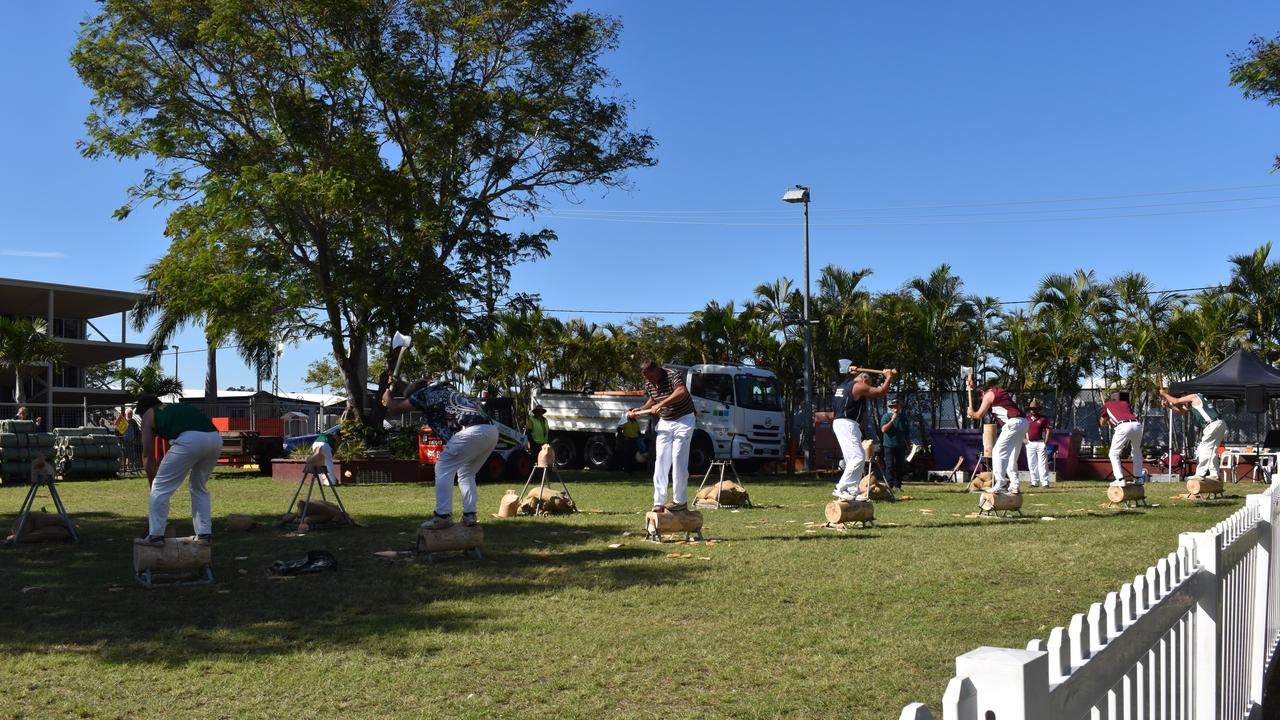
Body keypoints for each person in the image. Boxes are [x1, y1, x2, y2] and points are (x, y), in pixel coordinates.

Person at [382, 374, 498, 529]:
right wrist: (398, 384)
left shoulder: (424, 394)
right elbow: (412, 389)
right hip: (490, 431)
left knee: (442, 467)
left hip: (470, 431)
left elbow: (396, 407)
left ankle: (442, 516)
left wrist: (388, 398)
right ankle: (470, 515)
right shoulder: (443, 389)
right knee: (467, 473)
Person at [133, 395, 224, 546]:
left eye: (140, 414)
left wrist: (153, 484)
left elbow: (147, 455)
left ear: (144, 409)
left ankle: (155, 536)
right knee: (198, 486)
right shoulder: (175, 409)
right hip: (215, 440)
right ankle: (204, 534)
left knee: (160, 488)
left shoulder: (149, 414)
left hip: (190, 441)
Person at [628, 360, 696, 512]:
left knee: (678, 457)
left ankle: (680, 501)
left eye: (650, 377)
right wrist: (640, 410)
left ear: (657, 370)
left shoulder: (672, 375)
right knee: (661, 460)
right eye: (646, 378)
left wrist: (661, 405)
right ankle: (658, 502)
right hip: (665, 421)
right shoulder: (649, 383)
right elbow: (653, 399)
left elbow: (681, 391)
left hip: (684, 420)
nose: (649, 381)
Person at [832, 366, 896, 501]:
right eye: (869, 384)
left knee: (852, 460)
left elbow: (851, 378)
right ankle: (841, 488)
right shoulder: (859, 386)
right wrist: (889, 377)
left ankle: (853, 490)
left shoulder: (844, 385)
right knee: (858, 457)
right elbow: (880, 392)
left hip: (843, 423)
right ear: (864, 379)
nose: (868, 388)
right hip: (847, 423)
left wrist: (853, 373)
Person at [966, 377, 1027, 493]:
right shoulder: (997, 391)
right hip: (1023, 423)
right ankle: (1014, 485)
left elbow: (979, 415)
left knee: (998, 452)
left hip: (1012, 423)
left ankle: (1001, 483)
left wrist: (971, 413)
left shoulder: (989, 394)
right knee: (1011, 458)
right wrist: (972, 386)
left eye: (980, 398)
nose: (982, 400)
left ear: (983, 393)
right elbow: (979, 390)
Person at [1159, 386, 1227, 480]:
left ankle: (1199, 474)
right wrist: (1169, 406)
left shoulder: (1193, 396)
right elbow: (1182, 411)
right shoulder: (1198, 399)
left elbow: (1175, 401)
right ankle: (1214, 474)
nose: (1184, 403)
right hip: (1219, 423)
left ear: (1186, 396)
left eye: (1184, 400)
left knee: (1204, 448)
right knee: (1212, 450)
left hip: (1212, 425)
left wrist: (1164, 394)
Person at [1099, 391, 1146, 486]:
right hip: (1137, 425)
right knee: (1136, 451)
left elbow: (1102, 422)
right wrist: (1111, 421)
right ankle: (1138, 478)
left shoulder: (1107, 405)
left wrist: (1107, 419)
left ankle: (1120, 479)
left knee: (1113, 453)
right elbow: (1124, 416)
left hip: (1123, 426)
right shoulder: (1125, 403)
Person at [879, 397, 910, 490]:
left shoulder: (904, 418)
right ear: (891, 408)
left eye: (897, 406)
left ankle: (898, 486)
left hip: (900, 446)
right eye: (894, 406)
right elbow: (883, 429)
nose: (895, 408)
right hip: (889, 445)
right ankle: (889, 486)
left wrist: (908, 444)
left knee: (900, 466)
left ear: (900, 407)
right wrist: (892, 420)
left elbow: (906, 432)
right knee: (890, 466)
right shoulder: (886, 416)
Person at [1023, 399, 1052, 488]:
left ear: (1038, 409)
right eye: (1031, 408)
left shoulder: (1044, 418)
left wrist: (1046, 441)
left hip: (1040, 443)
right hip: (1030, 443)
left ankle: (1045, 483)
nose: (1033, 410)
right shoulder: (1026, 419)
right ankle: (1034, 482)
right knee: (1032, 463)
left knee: (1043, 463)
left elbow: (1048, 430)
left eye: (1035, 408)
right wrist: (1023, 439)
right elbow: (1022, 429)